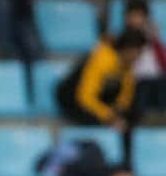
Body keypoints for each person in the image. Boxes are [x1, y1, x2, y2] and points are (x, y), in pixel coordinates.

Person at [56, 29, 146, 164]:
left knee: (133, 114)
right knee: (99, 120)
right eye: (137, 51)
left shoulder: (128, 66)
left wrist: (118, 113)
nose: (139, 56)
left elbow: (125, 96)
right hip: (72, 99)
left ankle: (127, 162)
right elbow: (85, 97)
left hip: (101, 99)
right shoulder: (103, 59)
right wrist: (109, 117)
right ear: (127, 49)